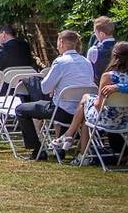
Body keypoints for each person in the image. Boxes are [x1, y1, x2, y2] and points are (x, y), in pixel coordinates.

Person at [51, 41, 128, 163]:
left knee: (85, 107)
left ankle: (73, 142)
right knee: (86, 106)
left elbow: (99, 104)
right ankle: (76, 147)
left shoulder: (108, 76)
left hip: (107, 120)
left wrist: (89, 100)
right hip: (125, 121)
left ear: (114, 56)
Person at [15, 30, 95, 160]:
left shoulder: (60, 62)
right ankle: (59, 149)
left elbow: (44, 88)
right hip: (82, 112)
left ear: (62, 42)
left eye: (58, 42)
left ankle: (36, 149)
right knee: (60, 103)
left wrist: (54, 87)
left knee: (21, 110)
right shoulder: (86, 62)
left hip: (62, 111)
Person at [86, 16, 116, 83]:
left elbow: (87, 72)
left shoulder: (94, 50)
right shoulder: (122, 47)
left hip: (99, 89)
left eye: (95, 32)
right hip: (118, 89)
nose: (94, 35)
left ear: (101, 34)